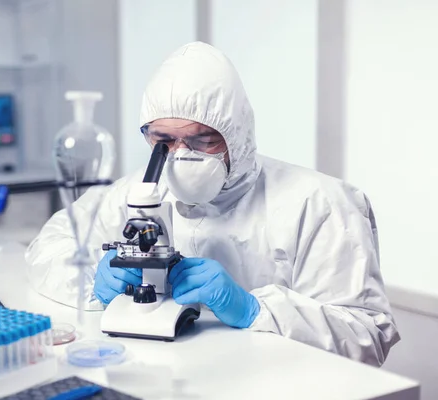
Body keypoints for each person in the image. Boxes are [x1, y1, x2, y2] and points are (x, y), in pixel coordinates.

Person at [25, 42, 399, 366]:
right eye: (164, 140)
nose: (182, 156)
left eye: (203, 141)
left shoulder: (319, 203)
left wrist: (255, 310)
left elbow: (368, 335)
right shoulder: (136, 191)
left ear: (236, 135)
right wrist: (93, 281)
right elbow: (49, 245)